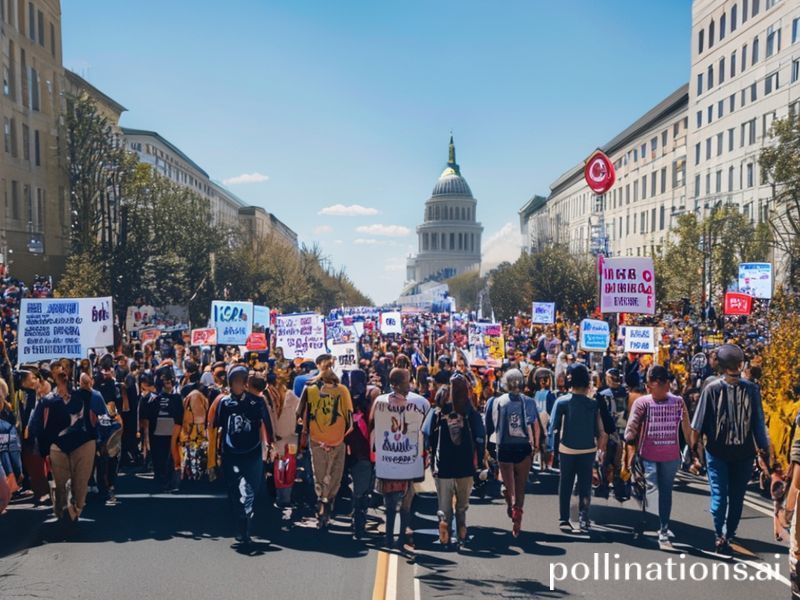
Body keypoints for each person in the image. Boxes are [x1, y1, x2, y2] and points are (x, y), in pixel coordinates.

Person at [690, 343, 771, 556]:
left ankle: (720, 534)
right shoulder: (752, 389)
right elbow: (758, 424)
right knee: (737, 497)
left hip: (716, 452)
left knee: (719, 495)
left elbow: (696, 424)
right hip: (743, 454)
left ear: (721, 366)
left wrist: (692, 451)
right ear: (740, 364)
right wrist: (764, 452)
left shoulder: (711, 388)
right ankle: (730, 532)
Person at [624, 365, 693, 550]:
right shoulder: (642, 403)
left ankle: (663, 527)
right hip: (648, 454)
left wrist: (693, 449)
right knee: (653, 488)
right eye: (647, 385)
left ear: (665, 385)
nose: (648, 388)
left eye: (651, 385)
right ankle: (657, 526)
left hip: (671, 456)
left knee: (666, 491)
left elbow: (686, 427)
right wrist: (629, 445)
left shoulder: (678, 402)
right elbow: (631, 427)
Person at [32, 372, 107, 523]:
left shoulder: (86, 395)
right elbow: (37, 426)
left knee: (80, 483)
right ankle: (61, 512)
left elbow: (101, 414)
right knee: (60, 484)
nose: (63, 386)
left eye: (66, 380)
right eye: (60, 382)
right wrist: (44, 450)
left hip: (84, 443)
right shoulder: (47, 402)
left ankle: (74, 512)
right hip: (58, 447)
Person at [370, 367, 429, 550]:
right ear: (396, 384)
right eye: (406, 381)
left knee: (403, 505)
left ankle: (398, 538)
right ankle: (391, 538)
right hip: (394, 461)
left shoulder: (382, 402)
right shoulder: (421, 403)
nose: (409, 384)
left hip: (402, 460)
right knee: (393, 505)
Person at [423, 374, 485, 548]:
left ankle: (444, 531)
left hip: (443, 465)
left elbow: (426, 433)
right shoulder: (470, 411)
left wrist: (430, 451)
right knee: (462, 505)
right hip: (465, 465)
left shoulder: (438, 411)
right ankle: (462, 532)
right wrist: (479, 460)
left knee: (444, 504)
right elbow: (480, 435)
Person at [214, 364, 273, 545]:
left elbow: (266, 424)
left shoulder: (257, 402)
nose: (239, 385)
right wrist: (215, 454)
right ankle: (240, 524)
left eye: (242, 381)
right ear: (230, 383)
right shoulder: (224, 402)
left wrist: (270, 446)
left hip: (252, 452)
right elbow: (218, 427)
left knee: (249, 490)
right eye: (236, 381)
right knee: (234, 490)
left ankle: (246, 523)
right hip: (231, 452)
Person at [549, 364, 607, 533]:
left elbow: (554, 427)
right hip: (588, 449)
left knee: (565, 484)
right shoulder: (593, 404)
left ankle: (564, 518)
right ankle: (583, 517)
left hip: (567, 449)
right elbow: (600, 430)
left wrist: (551, 449)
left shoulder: (562, 402)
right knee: (585, 486)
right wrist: (600, 452)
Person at [484, 368, 539, 537]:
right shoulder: (529, 402)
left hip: (504, 446)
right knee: (521, 484)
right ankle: (518, 517)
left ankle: (511, 502)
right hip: (523, 447)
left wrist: (487, 448)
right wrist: (535, 445)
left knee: (509, 484)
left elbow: (490, 426)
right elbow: (535, 426)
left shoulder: (496, 401)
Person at [300, 362, 353, 529]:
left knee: (320, 476)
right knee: (334, 477)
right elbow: (349, 420)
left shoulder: (309, 389)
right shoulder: (343, 390)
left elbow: (300, 414)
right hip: (336, 441)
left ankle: (322, 504)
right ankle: (327, 505)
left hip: (317, 440)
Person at [141, 370, 183, 492]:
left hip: (171, 432)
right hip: (158, 432)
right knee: (159, 458)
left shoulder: (176, 398)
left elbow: (179, 416)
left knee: (169, 458)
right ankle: (162, 480)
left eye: (169, 382)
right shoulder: (152, 398)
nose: (167, 385)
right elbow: (146, 418)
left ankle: (167, 481)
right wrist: (146, 436)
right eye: (165, 382)